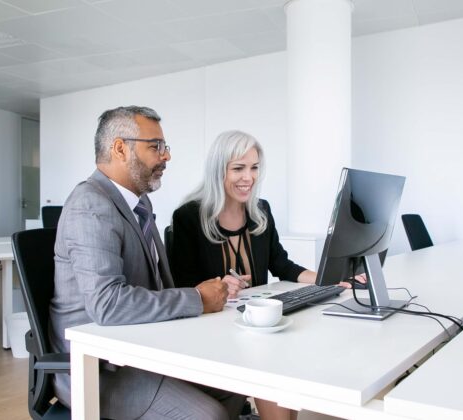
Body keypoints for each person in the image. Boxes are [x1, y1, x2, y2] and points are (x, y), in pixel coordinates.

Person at [49, 106, 246, 420]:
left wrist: (206, 295)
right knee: (208, 415)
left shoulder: (139, 204)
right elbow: (107, 304)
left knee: (237, 381)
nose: (165, 156)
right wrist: (196, 299)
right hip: (99, 369)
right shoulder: (90, 205)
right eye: (155, 147)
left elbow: (157, 286)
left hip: (140, 347)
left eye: (164, 147)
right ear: (119, 148)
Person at [171, 130, 355, 420]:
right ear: (219, 170)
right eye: (238, 168)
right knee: (277, 366)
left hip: (258, 329)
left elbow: (281, 265)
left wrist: (327, 279)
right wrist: (218, 287)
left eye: (254, 167)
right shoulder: (188, 218)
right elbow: (182, 286)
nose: (249, 177)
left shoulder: (260, 211)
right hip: (214, 333)